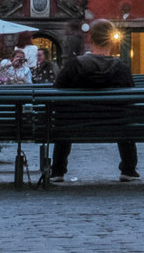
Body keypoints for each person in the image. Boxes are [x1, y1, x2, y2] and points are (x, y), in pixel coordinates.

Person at [49, 19, 138, 183]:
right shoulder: (121, 68)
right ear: (112, 40)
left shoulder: (74, 65)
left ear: (90, 39)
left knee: (65, 119)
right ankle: (129, 169)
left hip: (76, 124)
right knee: (125, 119)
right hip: (115, 124)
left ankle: (58, 170)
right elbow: (131, 100)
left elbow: (56, 92)